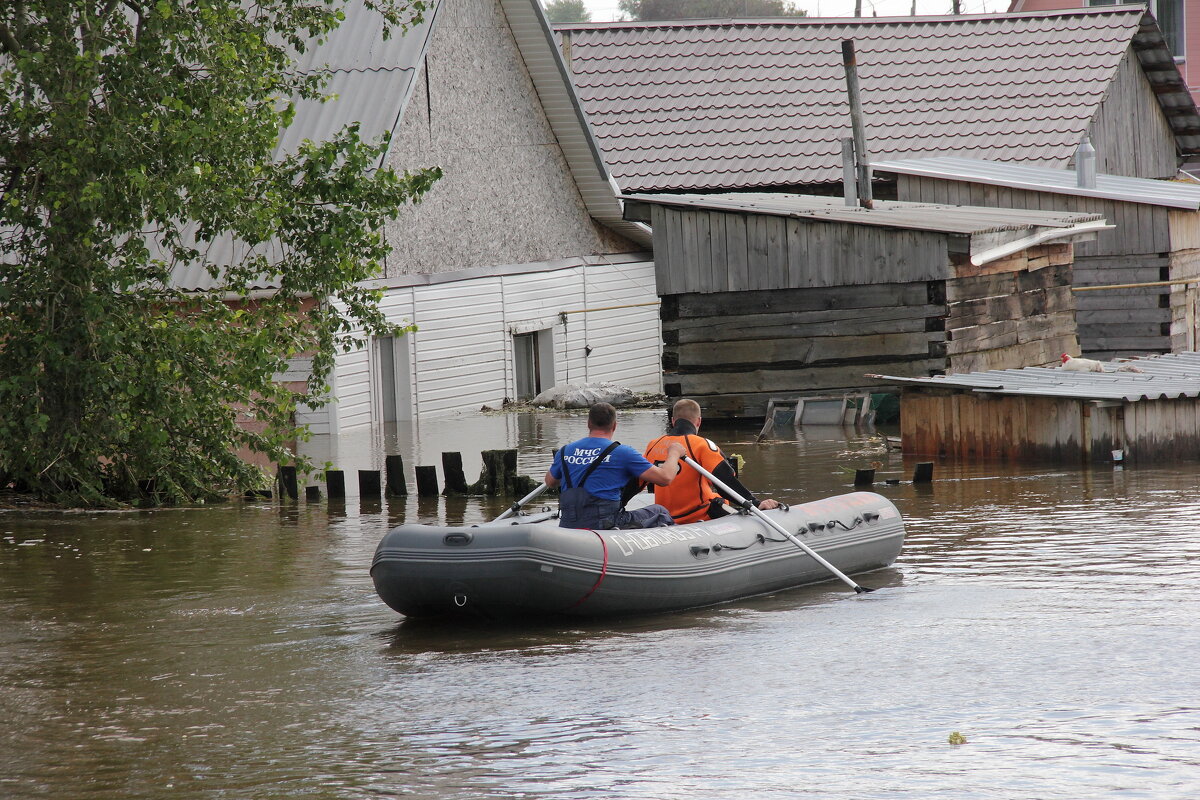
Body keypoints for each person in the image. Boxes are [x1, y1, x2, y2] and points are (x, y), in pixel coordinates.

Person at [546, 402, 685, 530]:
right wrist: (674, 452)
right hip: (607, 524)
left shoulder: (565, 451)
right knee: (660, 512)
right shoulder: (623, 453)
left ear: (588, 424)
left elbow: (550, 482)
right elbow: (665, 478)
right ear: (614, 426)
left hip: (568, 523)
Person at [640, 398, 781, 524]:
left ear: (673, 421)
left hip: (666, 517)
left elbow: (637, 483)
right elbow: (725, 482)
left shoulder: (652, 445)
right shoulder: (702, 445)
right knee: (721, 501)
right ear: (699, 421)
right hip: (698, 515)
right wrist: (756, 503)